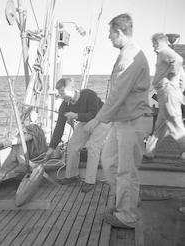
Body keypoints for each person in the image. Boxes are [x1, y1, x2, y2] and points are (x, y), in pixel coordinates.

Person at [84, 13, 153, 228]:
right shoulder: (127, 53)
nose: (109, 38)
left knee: (126, 170)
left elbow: (118, 94)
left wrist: (97, 119)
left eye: (110, 34)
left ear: (119, 32)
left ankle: (127, 216)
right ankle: (126, 200)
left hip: (133, 122)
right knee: (109, 160)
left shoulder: (129, 56)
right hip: (123, 121)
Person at [45, 77, 111, 192]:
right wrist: (51, 148)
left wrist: (76, 116)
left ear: (72, 90)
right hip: (85, 120)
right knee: (72, 144)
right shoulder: (64, 105)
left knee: (93, 147)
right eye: (60, 94)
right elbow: (59, 127)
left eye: (63, 93)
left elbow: (94, 114)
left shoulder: (89, 94)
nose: (61, 97)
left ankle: (90, 181)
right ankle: (72, 176)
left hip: (102, 119)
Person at [143, 33, 185, 161]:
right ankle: (149, 153)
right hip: (166, 95)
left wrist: (170, 83)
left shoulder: (165, 52)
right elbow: (182, 80)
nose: (153, 48)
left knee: (175, 125)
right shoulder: (167, 57)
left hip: (167, 94)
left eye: (154, 45)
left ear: (158, 43)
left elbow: (178, 60)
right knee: (160, 127)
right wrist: (177, 90)